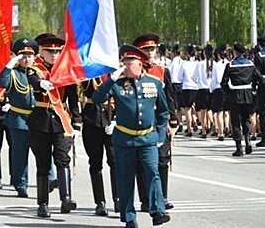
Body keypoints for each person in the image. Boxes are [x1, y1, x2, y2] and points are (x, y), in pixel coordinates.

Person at [93, 45, 170, 228]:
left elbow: (163, 112)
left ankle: (157, 211)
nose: (125, 66)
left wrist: (160, 135)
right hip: (124, 139)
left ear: (140, 64)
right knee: (125, 178)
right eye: (124, 62)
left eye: (130, 63)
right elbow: (97, 99)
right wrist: (110, 80)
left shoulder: (154, 83)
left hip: (148, 139)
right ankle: (128, 217)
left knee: (153, 172)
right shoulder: (117, 84)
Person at [28, 35, 81, 218]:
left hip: (61, 120)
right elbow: (32, 79)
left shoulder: (66, 70)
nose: (54, 54)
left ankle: (66, 198)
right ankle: (42, 204)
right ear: (41, 52)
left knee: (62, 158)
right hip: (40, 120)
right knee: (42, 163)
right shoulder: (35, 68)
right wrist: (40, 83)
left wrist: (77, 122)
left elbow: (73, 97)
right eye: (50, 51)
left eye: (58, 51)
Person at [132, 33, 177, 213]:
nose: (149, 53)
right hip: (141, 121)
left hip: (159, 121)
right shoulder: (133, 71)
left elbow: (170, 97)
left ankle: (162, 197)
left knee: (162, 160)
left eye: (152, 49)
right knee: (141, 162)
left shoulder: (162, 71)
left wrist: (173, 120)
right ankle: (145, 199)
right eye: (145, 50)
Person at [0, 38, 39, 197]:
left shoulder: (38, 73)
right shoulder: (13, 73)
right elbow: (0, 82)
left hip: (38, 118)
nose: (27, 59)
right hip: (19, 118)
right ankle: (20, 183)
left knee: (44, 152)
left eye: (30, 55)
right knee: (20, 154)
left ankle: (50, 178)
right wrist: (10, 64)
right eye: (23, 56)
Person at [80, 75, 119, 216]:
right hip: (92, 119)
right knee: (95, 163)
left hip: (112, 117)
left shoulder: (117, 73)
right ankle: (100, 202)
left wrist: (117, 119)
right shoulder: (90, 73)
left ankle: (118, 199)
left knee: (115, 161)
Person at [221, 43, 264, 156]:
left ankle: (239, 148)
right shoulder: (250, 63)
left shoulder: (230, 65)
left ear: (234, 52)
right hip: (248, 94)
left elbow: (223, 83)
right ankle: (248, 140)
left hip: (235, 94)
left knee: (235, 121)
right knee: (246, 119)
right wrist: (253, 88)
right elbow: (259, 77)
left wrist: (229, 93)